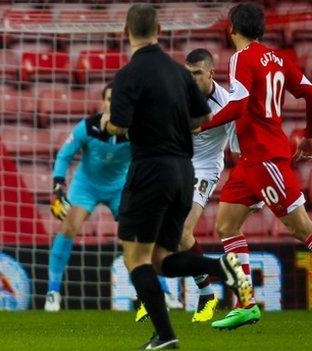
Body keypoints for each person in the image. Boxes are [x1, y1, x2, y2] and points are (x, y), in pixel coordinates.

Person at [105, 5, 251, 349]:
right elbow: (199, 119)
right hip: (182, 171)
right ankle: (222, 269)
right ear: (159, 28)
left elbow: (119, 126)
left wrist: (108, 123)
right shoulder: (179, 74)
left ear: (126, 31)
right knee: (163, 259)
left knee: (135, 258)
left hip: (152, 169)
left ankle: (166, 335)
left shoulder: (128, 75)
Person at [199, 2, 312, 330]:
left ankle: (246, 303)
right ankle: (247, 304)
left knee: (302, 230)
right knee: (226, 227)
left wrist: (200, 125)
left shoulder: (241, 58)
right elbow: (308, 91)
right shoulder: (279, 58)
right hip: (250, 161)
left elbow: (238, 106)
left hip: (266, 158)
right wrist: (306, 136)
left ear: (231, 28)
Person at [135, 48, 242, 324]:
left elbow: (239, 152)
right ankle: (156, 296)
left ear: (210, 72)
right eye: (188, 73)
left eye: (197, 73)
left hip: (205, 168)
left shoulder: (227, 103)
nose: (191, 79)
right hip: (176, 163)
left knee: (183, 231)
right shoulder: (176, 95)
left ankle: (207, 294)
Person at [45, 84, 132, 311]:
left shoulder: (135, 129)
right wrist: (57, 187)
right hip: (87, 186)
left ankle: (162, 290)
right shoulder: (88, 126)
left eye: (118, 99)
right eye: (109, 98)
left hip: (119, 188)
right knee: (68, 227)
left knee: (135, 235)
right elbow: (64, 155)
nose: (113, 103)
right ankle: (53, 291)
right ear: (102, 102)